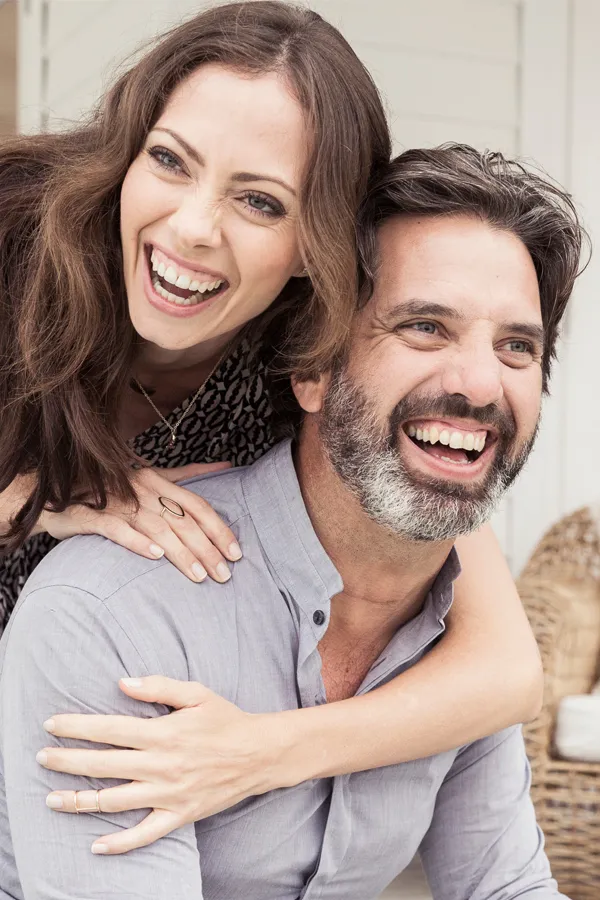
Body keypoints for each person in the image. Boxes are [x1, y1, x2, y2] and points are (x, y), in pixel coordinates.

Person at [0, 0, 541, 854]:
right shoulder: (15, 249)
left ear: (316, 243)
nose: (192, 227)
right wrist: (35, 498)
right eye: (170, 161)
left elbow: (507, 673)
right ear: (128, 149)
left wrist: (256, 754)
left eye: (260, 201)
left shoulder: (306, 362)